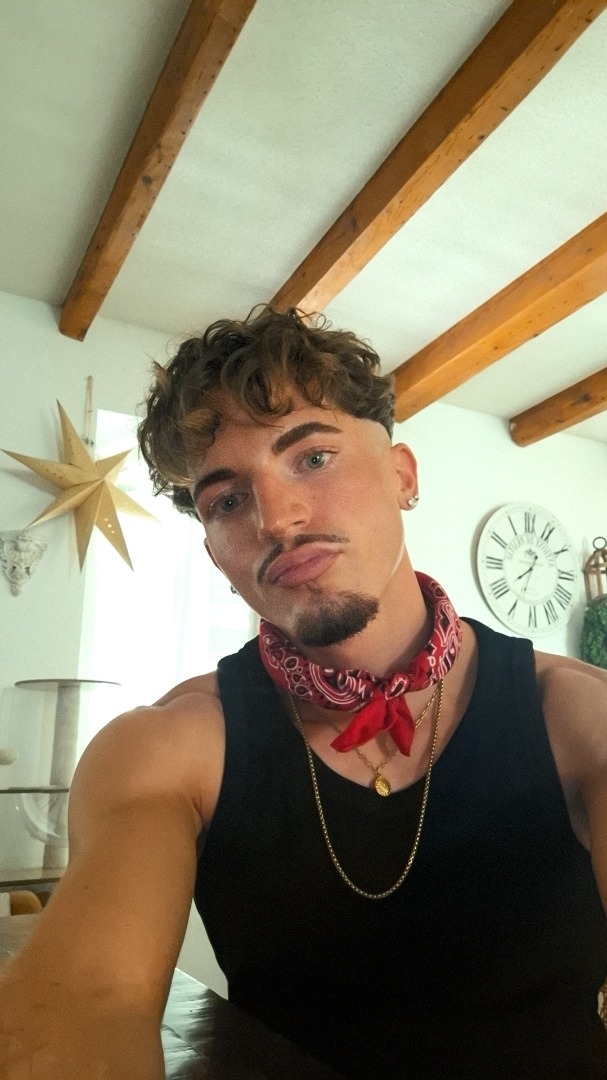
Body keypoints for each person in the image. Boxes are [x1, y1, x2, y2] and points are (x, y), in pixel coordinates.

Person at [1, 306, 606, 1080]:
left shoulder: (577, 717)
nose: (276, 518)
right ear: (213, 553)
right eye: (225, 500)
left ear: (401, 475)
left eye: (313, 457)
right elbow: (87, 1007)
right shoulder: (168, 747)